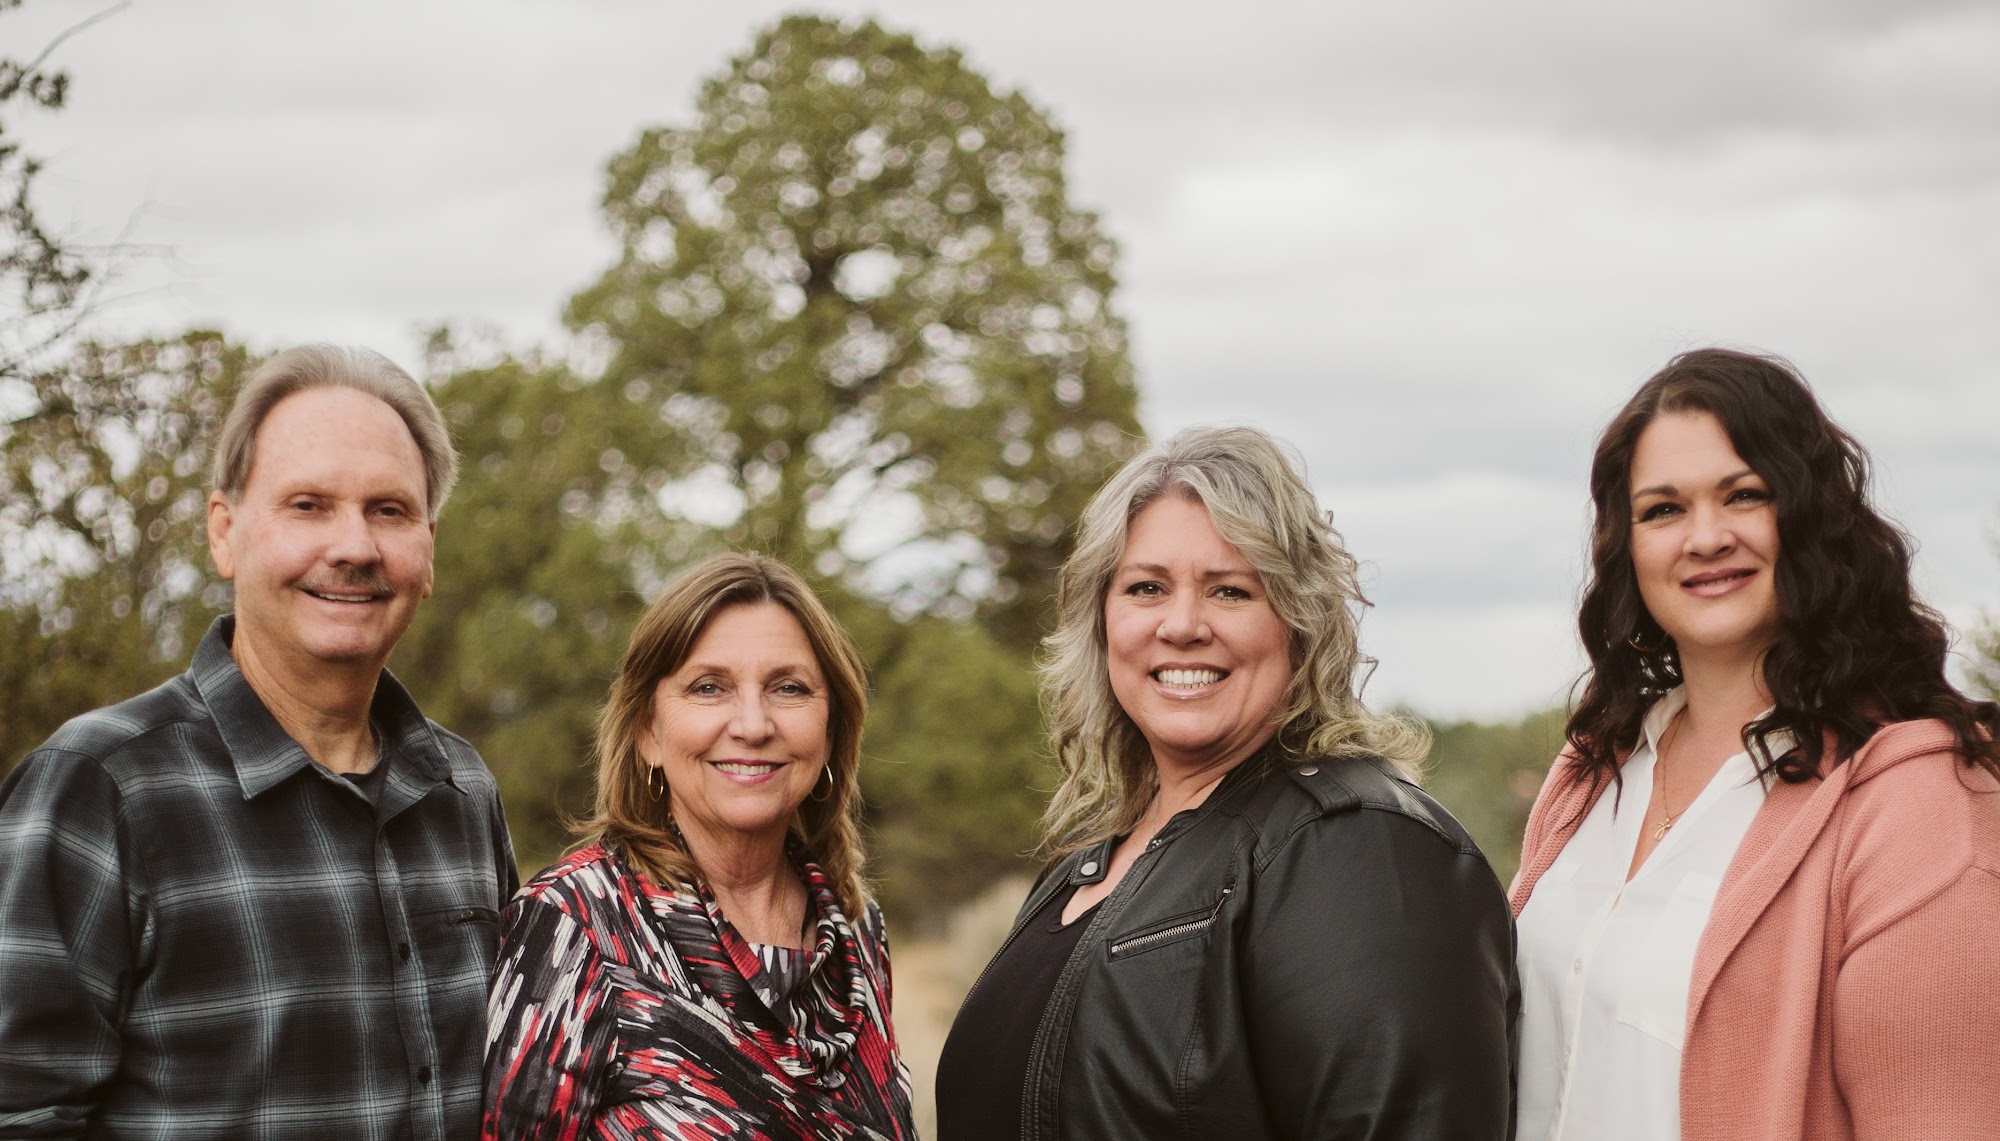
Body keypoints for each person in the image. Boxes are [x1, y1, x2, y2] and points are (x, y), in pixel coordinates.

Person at [936, 426, 1518, 1140]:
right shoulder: (1081, 867)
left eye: (1230, 590)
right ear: (1101, 621)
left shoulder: (1357, 846)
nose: (1182, 625)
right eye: (1146, 587)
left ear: (1299, 622)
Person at [0, 345, 517, 1139]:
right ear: (225, 533)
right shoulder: (100, 788)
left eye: (389, 509)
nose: (354, 546)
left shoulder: (462, 790)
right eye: (308, 505)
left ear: (428, 548)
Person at [1511, 348, 2000, 1141]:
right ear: (1627, 545)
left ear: (1809, 518)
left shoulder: (1918, 802)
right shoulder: (1591, 772)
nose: (1705, 537)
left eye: (1744, 495)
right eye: (1663, 510)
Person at [482, 553, 914, 1140]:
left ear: (832, 729)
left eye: (788, 688)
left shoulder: (854, 932)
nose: (753, 725)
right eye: (709, 688)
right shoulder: (574, 925)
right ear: (648, 731)